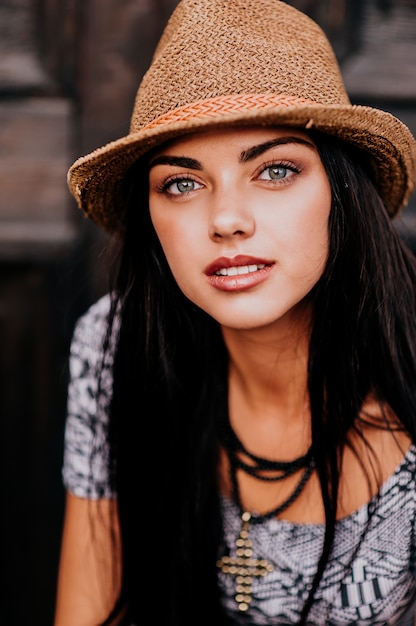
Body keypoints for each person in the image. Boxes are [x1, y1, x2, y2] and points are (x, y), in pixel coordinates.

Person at [54, 0, 416, 624]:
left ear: (341, 191)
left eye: (275, 170)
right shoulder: (114, 345)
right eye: (182, 183)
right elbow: (92, 607)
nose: (226, 220)